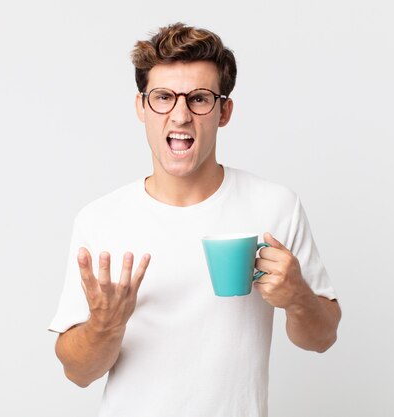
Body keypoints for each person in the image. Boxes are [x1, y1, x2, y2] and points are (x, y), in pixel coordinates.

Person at [49, 22, 341, 417]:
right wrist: (104, 325)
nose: (180, 115)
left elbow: (322, 338)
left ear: (224, 111)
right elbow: (78, 372)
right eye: (163, 97)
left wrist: (298, 298)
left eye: (200, 99)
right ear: (141, 107)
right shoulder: (101, 220)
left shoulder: (276, 206)